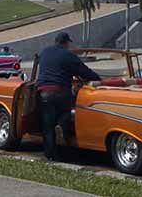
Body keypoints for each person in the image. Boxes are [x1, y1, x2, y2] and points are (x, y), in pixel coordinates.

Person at [36, 32, 101, 161]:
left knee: (47, 125)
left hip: (43, 92)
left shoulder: (44, 52)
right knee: (67, 115)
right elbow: (84, 71)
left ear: (56, 41)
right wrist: (99, 80)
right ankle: (63, 132)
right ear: (66, 43)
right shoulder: (68, 55)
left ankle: (50, 155)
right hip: (60, 92)